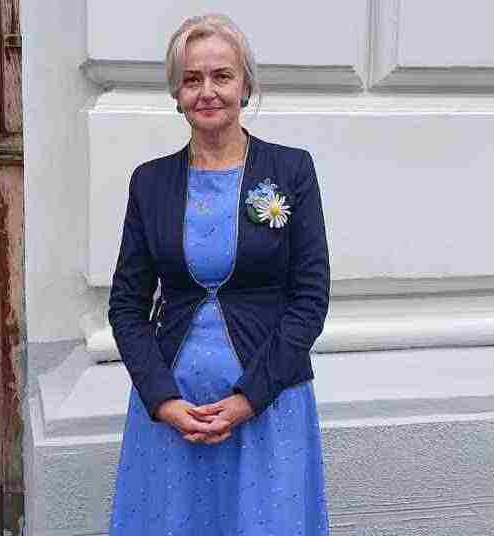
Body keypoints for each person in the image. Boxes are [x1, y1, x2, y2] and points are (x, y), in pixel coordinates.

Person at [106, 13, 331, 535]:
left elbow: (310, 298)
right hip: (174, 415)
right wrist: (162, 399)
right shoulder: (150, 182)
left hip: (268, 407)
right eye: (192, 79)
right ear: (177, 93)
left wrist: (249, 398)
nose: (207, 91)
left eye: (221, 76)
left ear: (245, 85)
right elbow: (126, 306)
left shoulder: (292, 170)